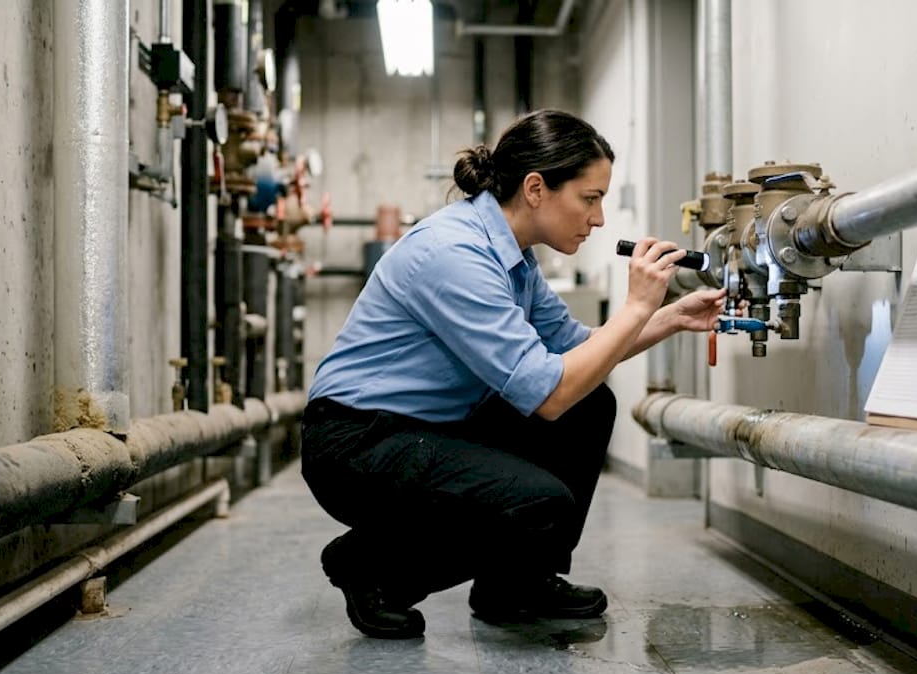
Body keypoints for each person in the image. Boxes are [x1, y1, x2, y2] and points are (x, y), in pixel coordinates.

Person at [301, 108, 725, 639]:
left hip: (427, 429)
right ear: (535, 188)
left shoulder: (516, 259)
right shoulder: (454, 253)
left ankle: (514, 584)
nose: (597, 220)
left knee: (591, 403)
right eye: (590, 199)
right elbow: (548, 393)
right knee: (538, 505)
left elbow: (580, 351)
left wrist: (667, 317)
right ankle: (372, 566)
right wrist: (636, 307)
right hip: (357, 444)